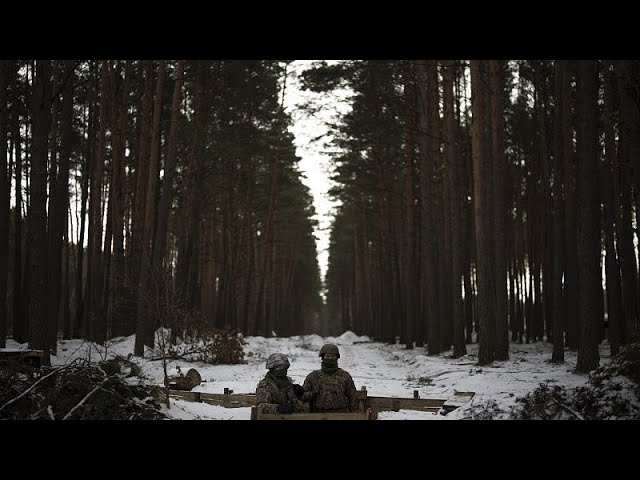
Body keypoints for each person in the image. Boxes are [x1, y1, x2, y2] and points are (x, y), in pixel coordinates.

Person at [302, 343, 358, 413]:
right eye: (327, 356)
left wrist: (354, 415)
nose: (330, 358)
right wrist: (313, 393)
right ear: (323, 357)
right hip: (318, 415)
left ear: (336, 358)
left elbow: (353, 397)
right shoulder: (313, 376)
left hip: (341, 415)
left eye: (333, 356)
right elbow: (302, 397)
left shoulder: (344, 376)